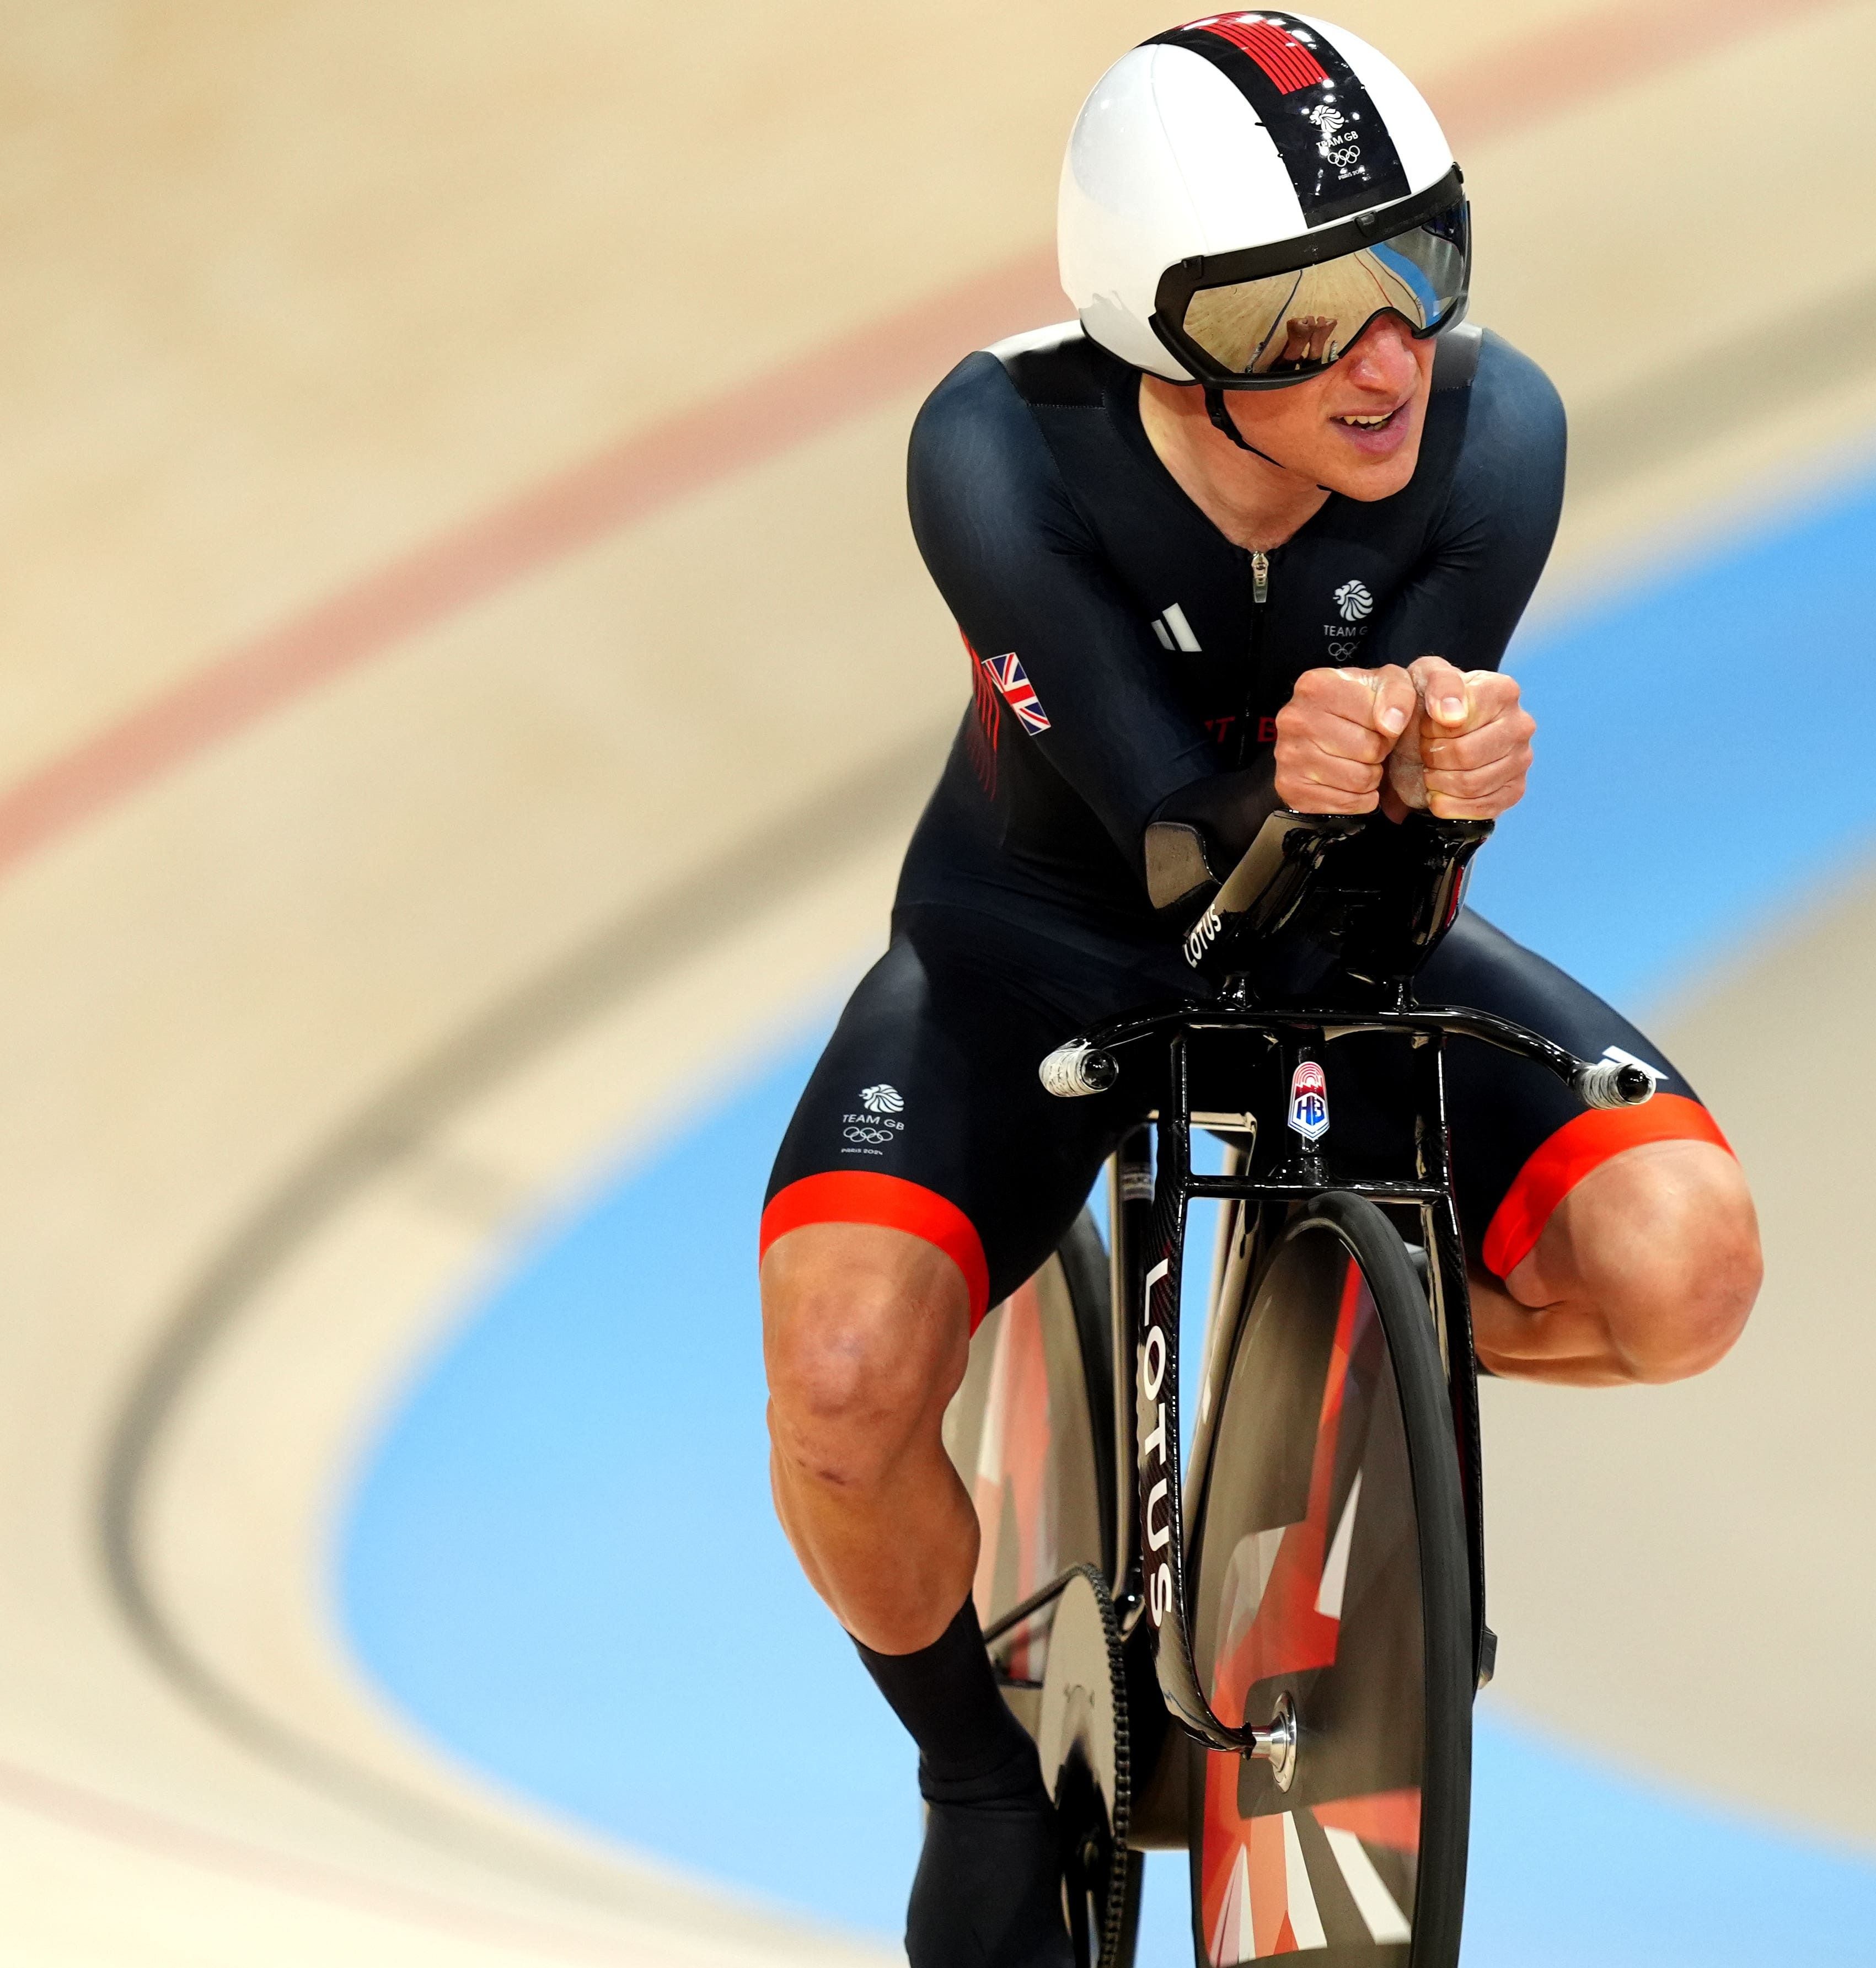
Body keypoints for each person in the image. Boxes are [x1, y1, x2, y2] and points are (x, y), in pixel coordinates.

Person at [757, 13, 1762, 1964]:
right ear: (1162, 336)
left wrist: (1439, 792)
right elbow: (1157, 840)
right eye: (1299, 317)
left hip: (1331, 949)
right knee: (848, 1386)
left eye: (1417, 269)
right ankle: (971, 1774)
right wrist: (1288, 776)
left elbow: (1374, 902)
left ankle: (1312, 1380)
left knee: (1687, 1275)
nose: (1387, 358)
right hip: (1032, 939)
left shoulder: (1499, 440)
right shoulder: (997, 452)